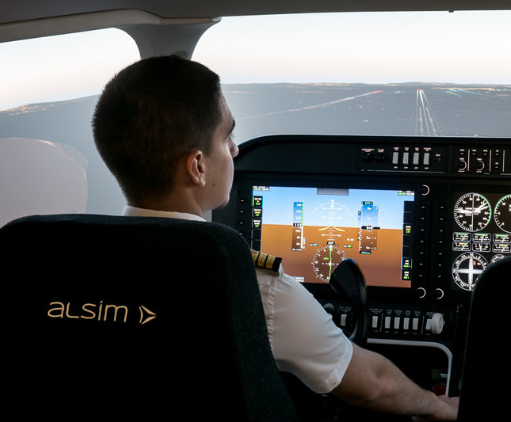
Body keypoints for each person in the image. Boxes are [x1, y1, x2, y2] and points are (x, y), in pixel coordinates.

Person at [92, 55, 458, 421]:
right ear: (198, 167)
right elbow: (373, 385)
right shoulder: (253, 286)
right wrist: (438, 406)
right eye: (226, 136)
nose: (235, 150)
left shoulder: (69, 261)